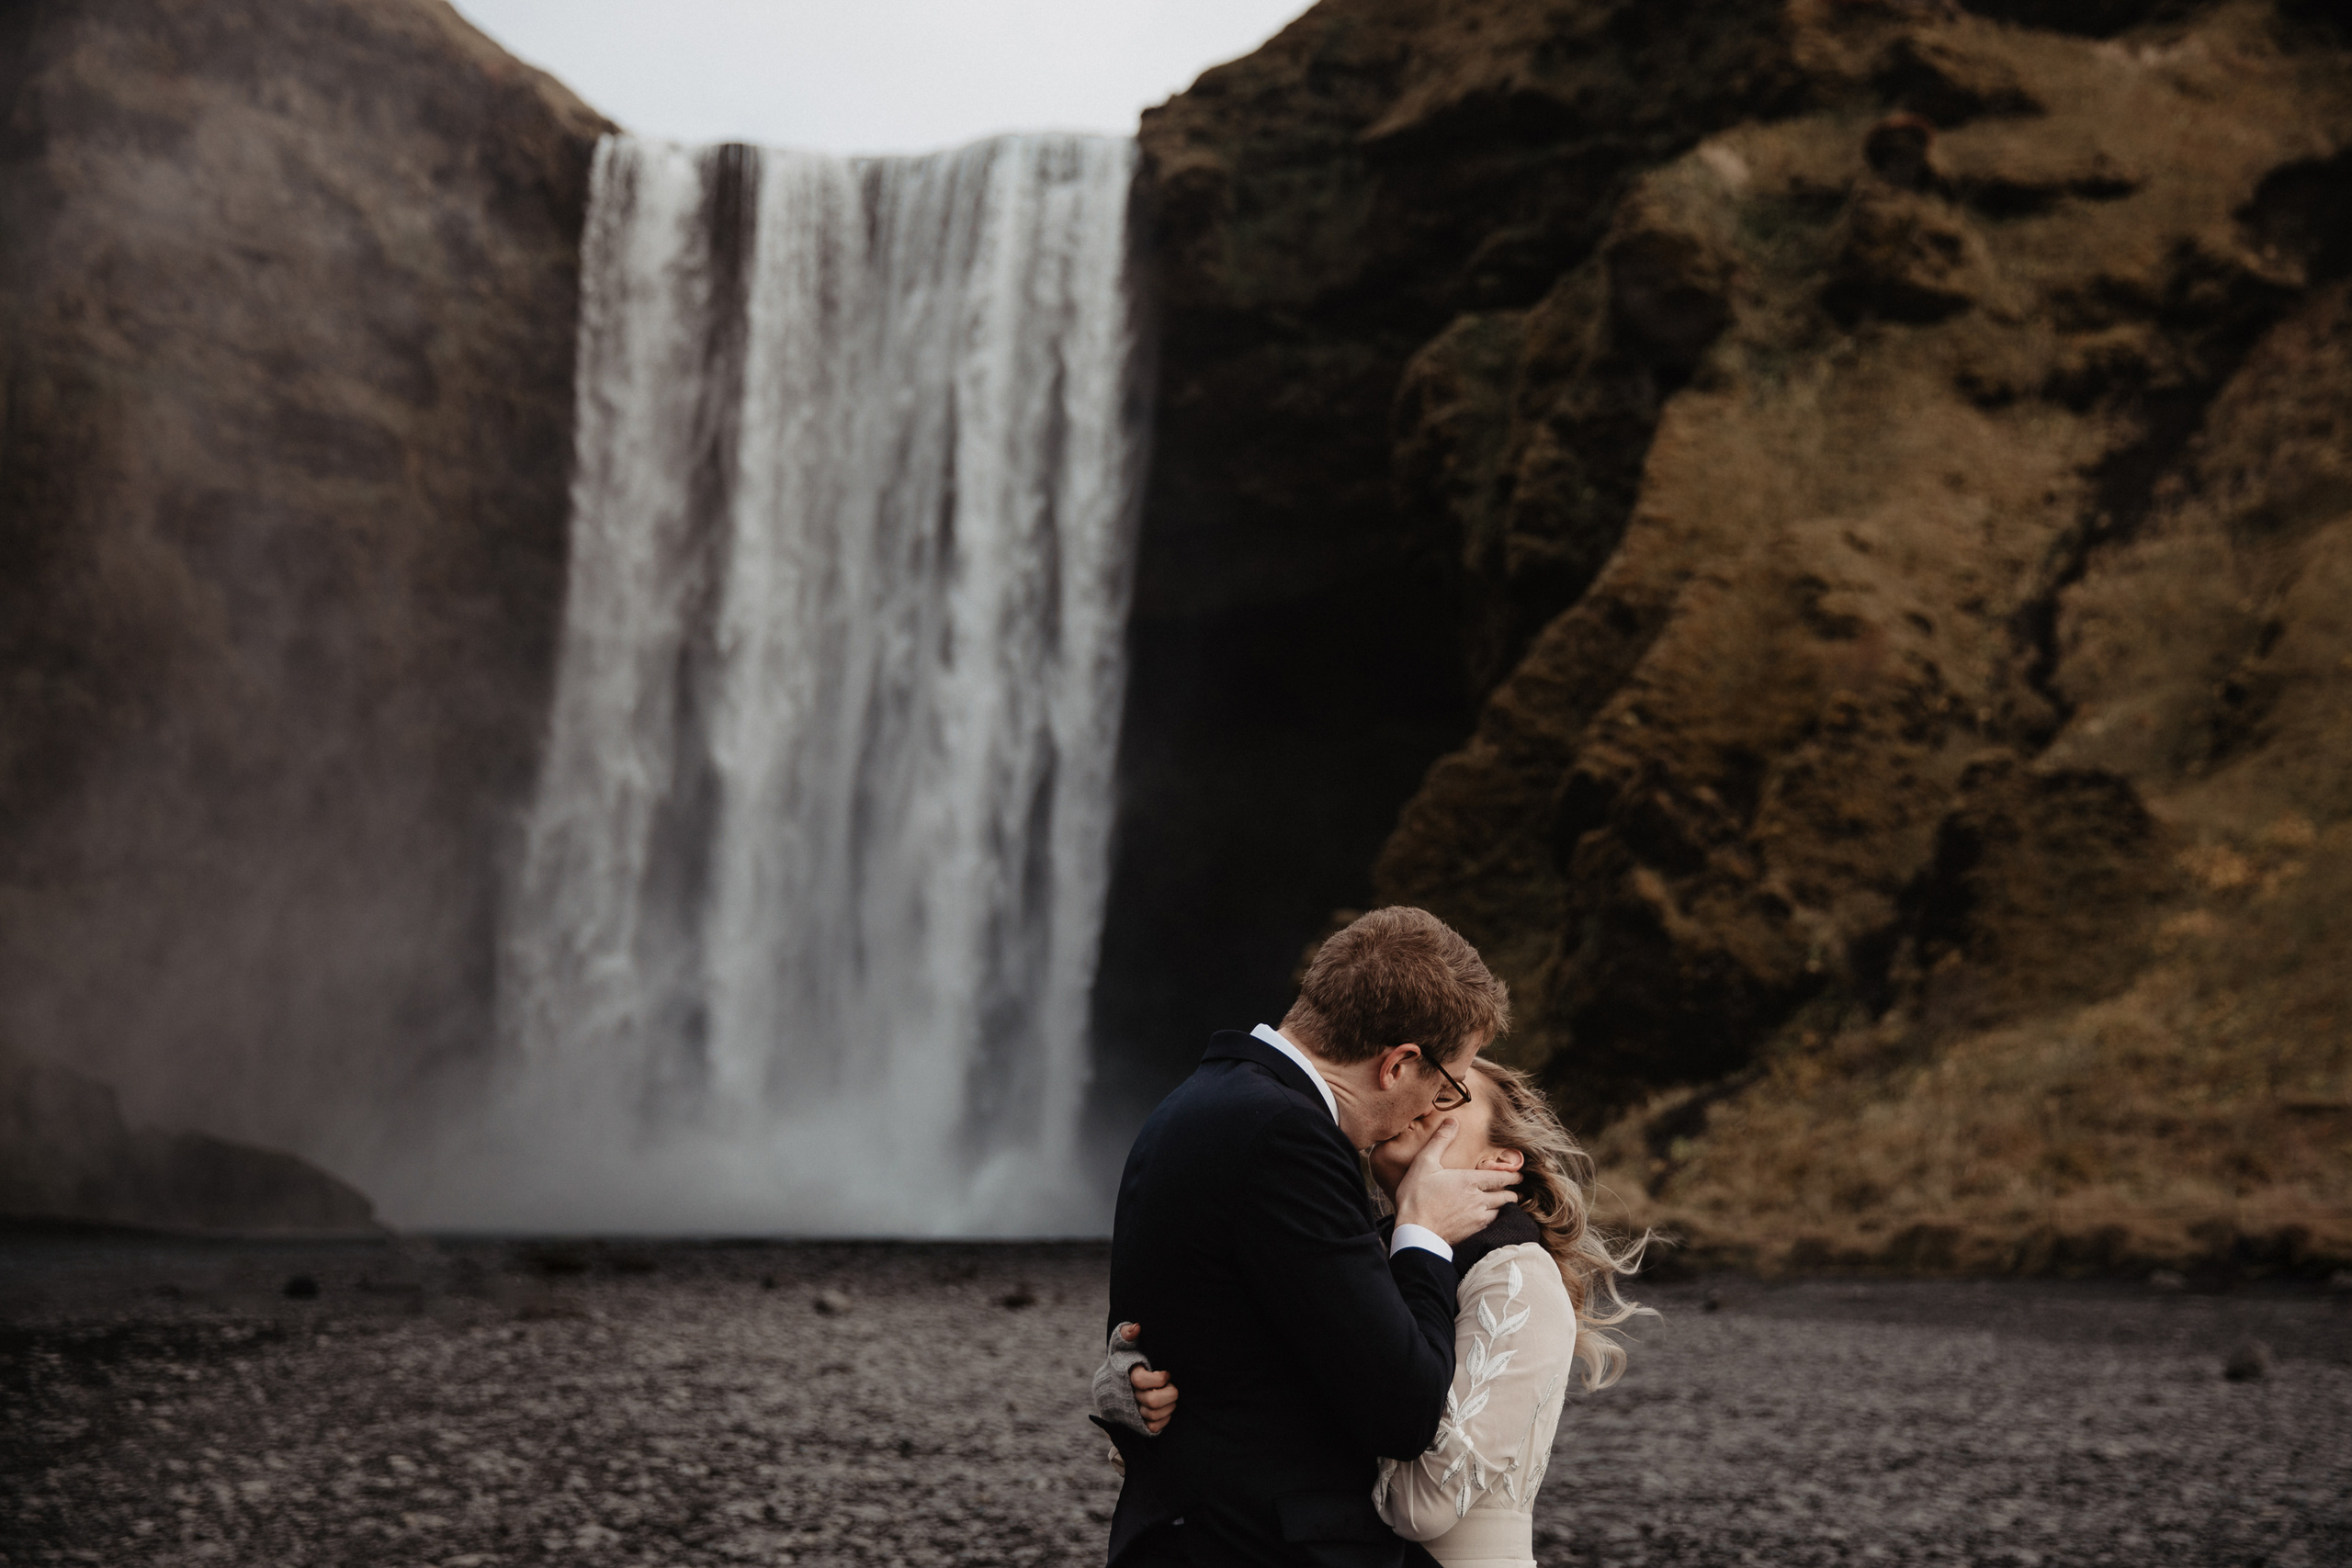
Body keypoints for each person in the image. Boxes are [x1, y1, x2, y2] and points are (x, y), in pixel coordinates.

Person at [1100, 1043, 1653, 1568]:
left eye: (1446, 1096)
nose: (1418, 1103)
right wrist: (1138, 1391)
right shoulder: (1359, 1256)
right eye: (1422, 1087)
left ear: (1502, 1158)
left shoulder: (1516, 1275)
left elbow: (1424, 1501)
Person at [1095, 907, 1523, 1568]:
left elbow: (1204, 1317)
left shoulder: (1194, 1103)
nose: (1436, 1111)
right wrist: (1422, 1231)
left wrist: (1122, 1370)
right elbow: (1404, 1410)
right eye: (1447, 1087)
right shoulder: (1286, 1136)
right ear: (1399, 1064)